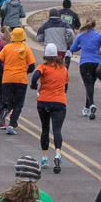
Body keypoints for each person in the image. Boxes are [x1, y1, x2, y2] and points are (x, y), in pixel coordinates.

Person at [30, 44, 69, 173]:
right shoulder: (63, 69)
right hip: (59, 102)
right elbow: (66, 87)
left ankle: (45, 157)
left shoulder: (43, 67)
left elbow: (35, 76)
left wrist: (34, 85)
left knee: (45, 129)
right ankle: (57, 154)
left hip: (44, 101)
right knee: (57, 130)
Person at [0, 27, 37, 135]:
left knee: (8, 100)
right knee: (18, 103)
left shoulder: (7, 48)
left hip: (7, 78)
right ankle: (11, 124)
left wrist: (3, 70)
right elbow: (32, 66)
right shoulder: (26, 49)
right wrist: (25, 72)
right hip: (21, 79)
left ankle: (5, 110)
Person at [69, 19, 101, 120]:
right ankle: (87, 108)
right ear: (95, 25)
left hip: (84, 63)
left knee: (88, 85)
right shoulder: (99, 35)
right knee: (90, 85)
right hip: (96, 63)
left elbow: (72, 48)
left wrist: (81, 47)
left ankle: (91, 104)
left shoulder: (81, 36)